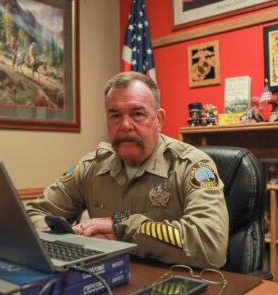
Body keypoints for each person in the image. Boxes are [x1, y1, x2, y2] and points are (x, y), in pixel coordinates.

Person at [26, 71, 229, 269]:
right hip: (104, 281)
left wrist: (119, 228)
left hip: (174, 286)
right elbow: (34, 214)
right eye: (115, 115)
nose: (124, 125)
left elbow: (211, 246)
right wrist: (72, 238)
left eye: (137, 114)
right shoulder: (91, 168)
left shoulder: (191, 166)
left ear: (159, 120)